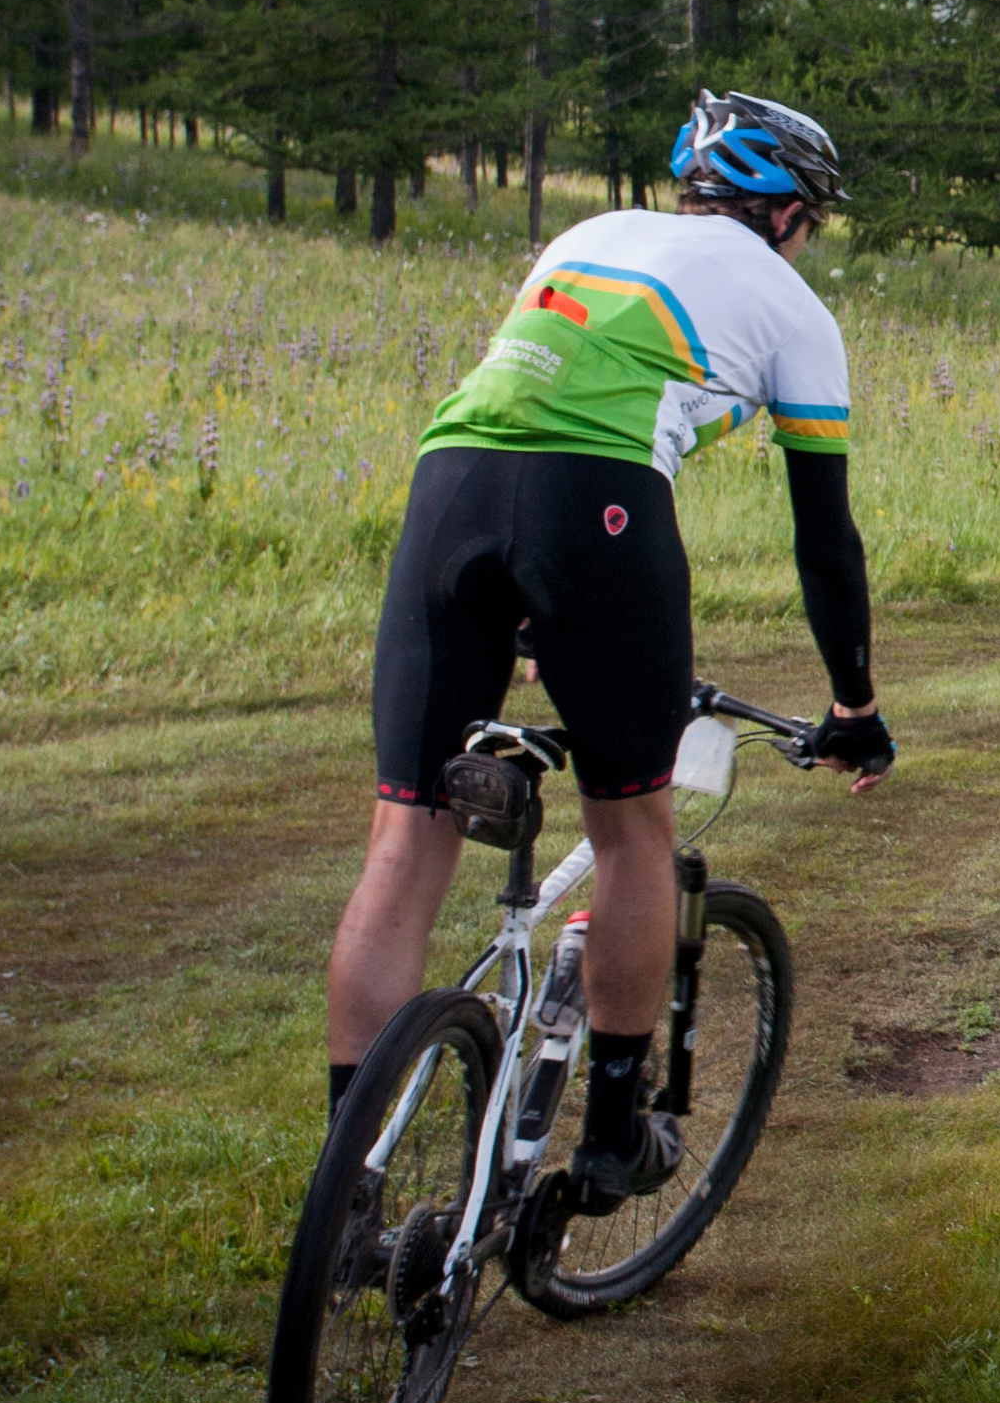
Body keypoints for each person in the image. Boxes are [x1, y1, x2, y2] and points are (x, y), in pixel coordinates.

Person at [327, 91, 895, 1206]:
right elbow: (825, 540)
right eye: (813, 217)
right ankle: (612, 1136)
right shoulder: (795, 307)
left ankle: (344, 1195)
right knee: (633, 826)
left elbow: (530, 405)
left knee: (405, 836)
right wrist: (855, 705)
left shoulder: (584, 237)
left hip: (448, 485)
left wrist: (530, 609)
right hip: (599, 505)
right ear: (784, 212)